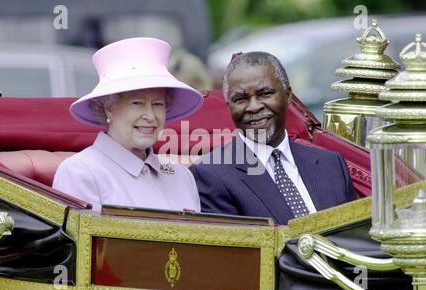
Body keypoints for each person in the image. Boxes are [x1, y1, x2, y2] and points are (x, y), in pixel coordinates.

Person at [189, 51, 356, 225]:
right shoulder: (211, 175)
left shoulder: (331, 165)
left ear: (288, 96)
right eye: (240, 99)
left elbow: (354, 239)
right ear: (229, 106)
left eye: (265, 93)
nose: (253, 107)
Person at [53, 37, 203, 212]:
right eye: (137, 103)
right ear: (109, 108)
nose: (150, 116)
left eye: (158, 104)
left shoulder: (181, 176)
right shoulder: (80, 173)